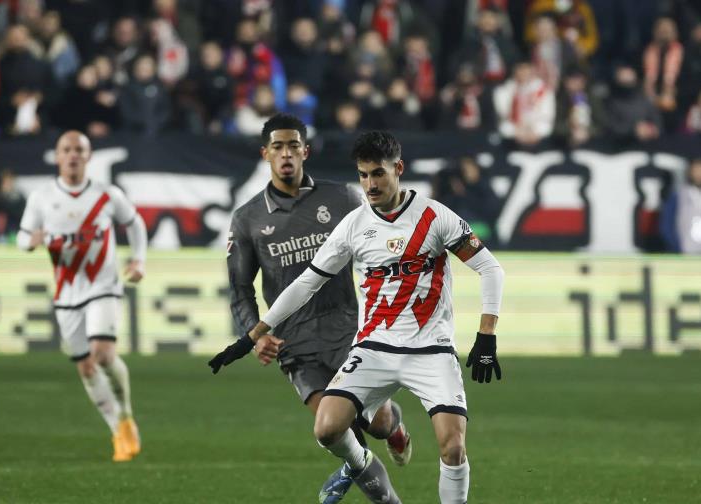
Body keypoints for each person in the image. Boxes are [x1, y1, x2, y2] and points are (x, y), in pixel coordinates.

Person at [209, 130, 506, 504]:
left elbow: (491, 270)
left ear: (398, 169)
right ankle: (357, 462)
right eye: (363, 175)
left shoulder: (434, 217)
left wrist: (486, 336)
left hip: (431, 349)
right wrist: (251, 336)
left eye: (378, 173)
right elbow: (306, 284)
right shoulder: (353, 225)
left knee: (452, 448)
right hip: (374, 348)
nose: (370, 184)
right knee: (327, 428)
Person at [211, 115, 412, 504]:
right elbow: (239, 289)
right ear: (265, 154)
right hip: (296, 345)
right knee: (334, 430)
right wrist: (257, 333)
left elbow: (382, 242)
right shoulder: (248, 218)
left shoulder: (343, 199)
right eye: (277, 147)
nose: (285, 154)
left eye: (292, 145)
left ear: (305, 151)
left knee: (379, 422)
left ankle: (395, 429)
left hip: (349, 330)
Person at [16, 131, 148, 462]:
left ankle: (127, 414)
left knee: (102, 353)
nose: (73, 155)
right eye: (67, 150)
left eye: (79, 150)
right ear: (57, 156)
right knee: (87, 369)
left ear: (89, 157)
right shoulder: (42, 197)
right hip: (66, 293)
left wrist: (138, 259)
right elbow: (21, 235)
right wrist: (29, 242)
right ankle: (118, 427)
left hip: (103, 285)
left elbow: (135, 224)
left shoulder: (106, 194)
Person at [660, 157, 701, 254]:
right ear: (689, 172)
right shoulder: (679, 194)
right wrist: (676, 247)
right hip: (687, 249)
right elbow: (666, 224)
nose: (699, 174)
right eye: (695, 171)